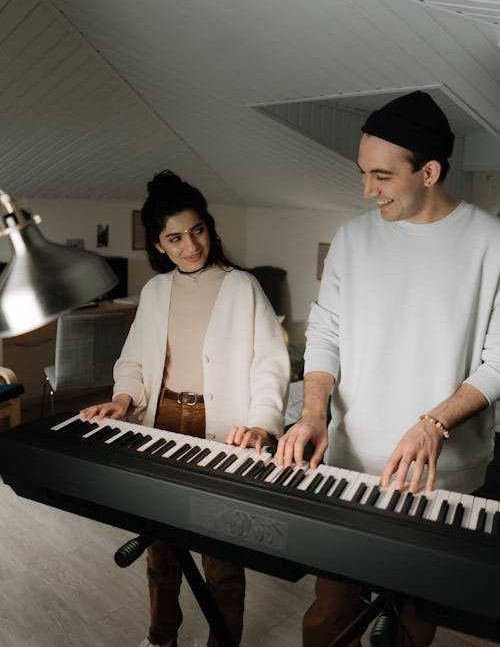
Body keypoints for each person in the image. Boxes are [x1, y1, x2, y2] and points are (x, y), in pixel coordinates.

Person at [275, 90, 500, 647]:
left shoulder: (490, 241)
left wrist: (434, 424)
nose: (366, 189)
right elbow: (325, 334)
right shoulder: (352, 238)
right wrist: (312, 413)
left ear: (429, 171)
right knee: (329, 618)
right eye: (361, 173)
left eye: (381, 175)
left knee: (410, 623)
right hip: (348, 464)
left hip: (441, 475)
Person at [81, 170, 290, 647]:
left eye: (197, 230)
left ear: (210, 228)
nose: (190, 245)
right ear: (159, 245)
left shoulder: (243, 287)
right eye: (175, 237)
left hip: (224, 427)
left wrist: (261, 424)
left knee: (221, 557)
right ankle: (161, 637)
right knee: (160, 550)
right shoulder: (155, 293)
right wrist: (121, 398)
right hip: (162, 424)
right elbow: (133, 360)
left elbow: (270, 367)